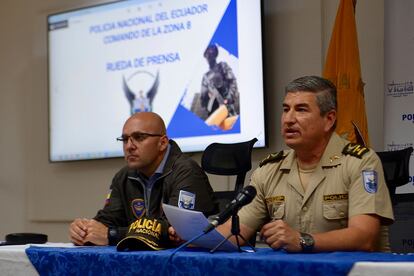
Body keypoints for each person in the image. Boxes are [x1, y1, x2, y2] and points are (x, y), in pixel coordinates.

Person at [217, 76, 394, 252]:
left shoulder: (360, 162)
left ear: (329, 119)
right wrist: (192, 233)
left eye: (301, 110)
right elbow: (234, 234)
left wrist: (303, 240)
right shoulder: (269, 170)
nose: (288, 119)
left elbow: (364, 237)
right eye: (286, 109)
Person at [69, 112, 218, 246]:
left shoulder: (186, 171)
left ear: (163, 143)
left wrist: (112, 235)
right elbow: (108, 220)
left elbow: (175, 232)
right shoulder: (124, 176)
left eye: (139, 137)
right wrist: (84, 229)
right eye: (125, 139)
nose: (129, 146)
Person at [200, 44, 238, 117]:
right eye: (207, 53)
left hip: (228, 108)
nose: (209, 55)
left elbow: (232, 82)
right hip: (215, 113)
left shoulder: (222, 66)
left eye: (211, 52)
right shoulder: (205, 77)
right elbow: (203, 99)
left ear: (215, 54)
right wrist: (210, 100)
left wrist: (228, 98)